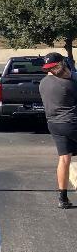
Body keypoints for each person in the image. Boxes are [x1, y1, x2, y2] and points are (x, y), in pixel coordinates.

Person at [39, 51, 77, 209]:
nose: (54, 69)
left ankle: (63, 198)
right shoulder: (70, 84)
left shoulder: (43, 83)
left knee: (64, 159)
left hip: (54, 124)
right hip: (72, 123)